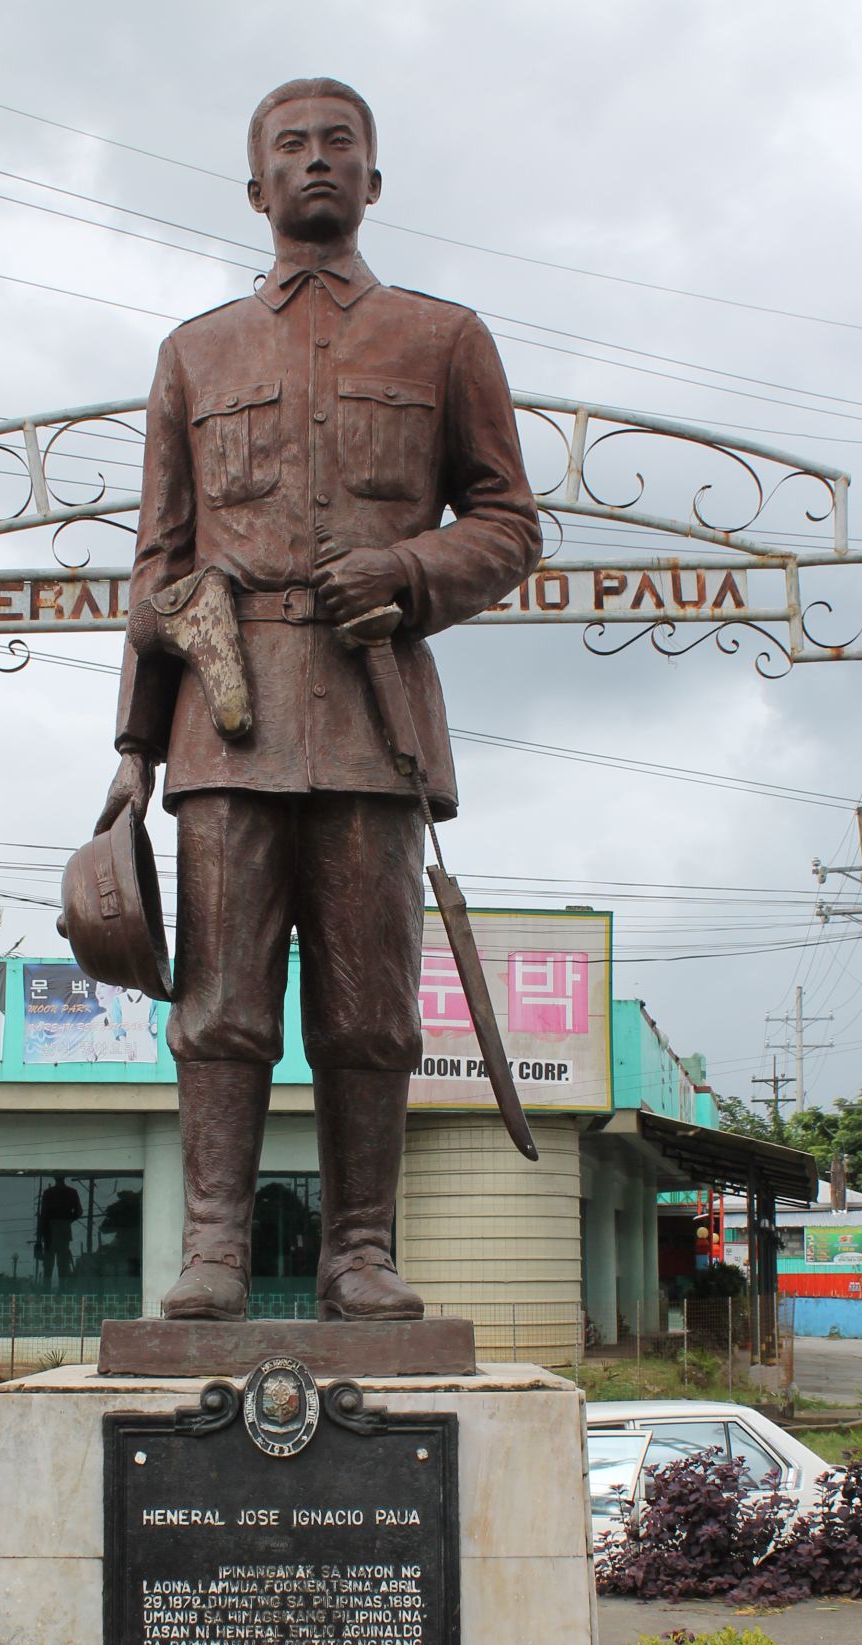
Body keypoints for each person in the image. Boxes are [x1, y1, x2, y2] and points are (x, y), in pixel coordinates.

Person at [96, 78, 541, 1321]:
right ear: (257, 189)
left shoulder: (444, 339)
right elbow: (156, 564)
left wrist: (407, 569)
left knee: (368, 1012)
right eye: (291, 148)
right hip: (221, 731)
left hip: (372, 721)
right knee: (221, 1006)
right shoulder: (194, 352)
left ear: (374, 180)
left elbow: (509, 523)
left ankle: (359, 1250)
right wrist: (136, 743)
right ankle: (216, 1252)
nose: (317, 162)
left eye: (340, 144)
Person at [35, 1175, 84, 1287]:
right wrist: (66, 1221)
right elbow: (79, 1212)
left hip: (51, 1232)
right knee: (60, 1264)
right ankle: (59, 1289)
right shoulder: (71, 1192)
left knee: (52, 1264)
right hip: (57, 1232)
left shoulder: (49, 1193)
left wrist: (64, 1221)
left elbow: (43, 1216)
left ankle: (50, 1290)